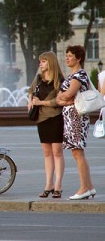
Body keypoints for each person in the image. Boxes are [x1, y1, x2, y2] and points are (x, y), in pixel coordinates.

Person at [56, 45, 96, 200]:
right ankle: (89, 187)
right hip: (70, 118)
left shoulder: (79, 75)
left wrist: (64, 98)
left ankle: (83, 187)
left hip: (77, 118)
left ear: (78, 58)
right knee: (76, 152)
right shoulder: (70, 76)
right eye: (66, 55)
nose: (67, 58)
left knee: (78, 152)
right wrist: (64, 99)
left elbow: (68, 94)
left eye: (70, 55)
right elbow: (59, 98)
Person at [28, 52, 65, 198]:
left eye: (43, 61)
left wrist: (41, 103)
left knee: (57, 151)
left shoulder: (60, 81)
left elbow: (59, 101)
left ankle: (58, 185)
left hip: (56, 118)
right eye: (40, 61)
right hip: (41, 119)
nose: (40, 64)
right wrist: (30, 100)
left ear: (51, 62)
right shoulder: (38, 78)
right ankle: (48, 184)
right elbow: (30, 91)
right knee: (47, 152)